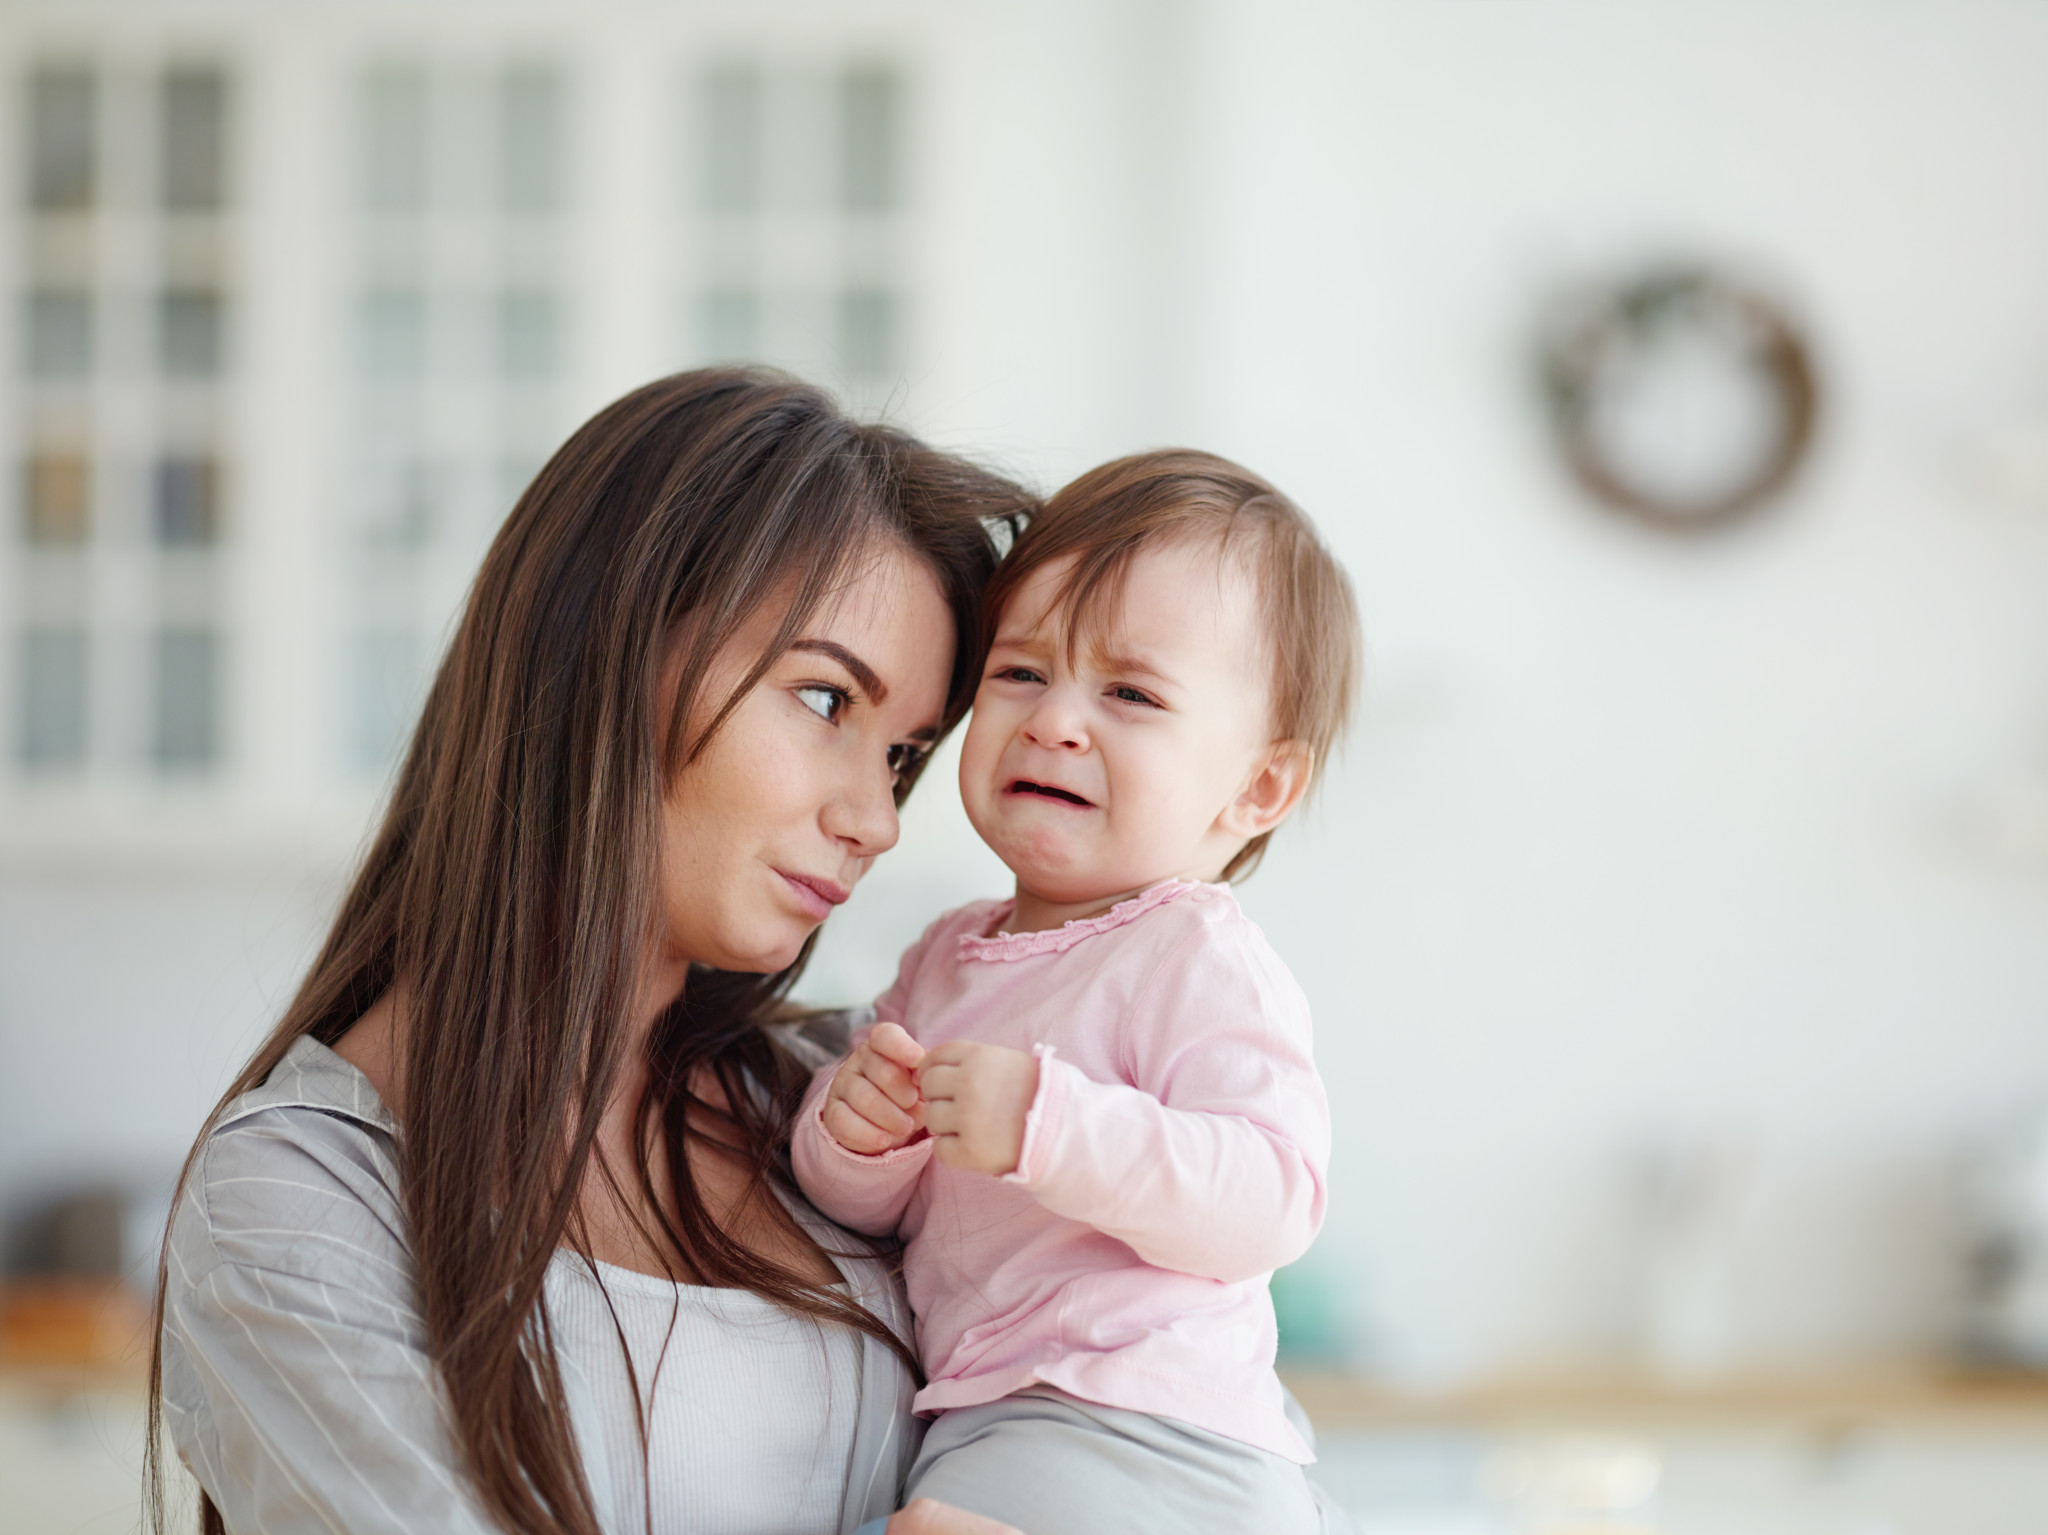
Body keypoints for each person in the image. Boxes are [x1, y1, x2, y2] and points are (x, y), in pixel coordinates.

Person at [149, 369, 1036, 1535]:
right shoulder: (298, 1198)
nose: (875, 818)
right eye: (824, 701)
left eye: (902, 754)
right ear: (602, 656)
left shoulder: (836, 1107)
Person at [793, 450, 1362, 1535]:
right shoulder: (943, 957)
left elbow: (1268, 1197)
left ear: (1257, 787)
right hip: (990, 1421)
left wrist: (1050, 1122)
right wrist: (853, 1134)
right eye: (1019, 671)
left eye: (1130, 692)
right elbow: (870, 1207)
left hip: (1148, 1426)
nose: (1055, 718)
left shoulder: (1192, 953)